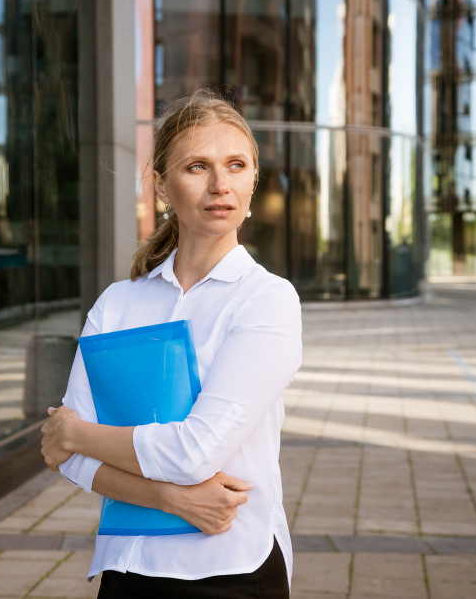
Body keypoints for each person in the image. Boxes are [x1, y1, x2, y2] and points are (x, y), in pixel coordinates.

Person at [40, 89, 302, 598]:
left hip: (229, 570)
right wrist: (170, 498)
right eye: (197, 167)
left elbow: (194, 452)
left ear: (252, 181)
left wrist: (77, 434)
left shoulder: (266, 301)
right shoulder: (116, 304)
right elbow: (65, 458)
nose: (221, 184)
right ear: (162, 185)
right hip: (128, 571)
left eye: (236, 165)